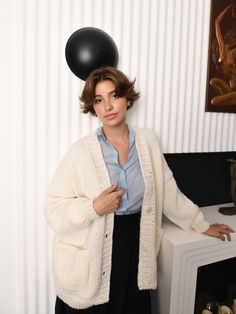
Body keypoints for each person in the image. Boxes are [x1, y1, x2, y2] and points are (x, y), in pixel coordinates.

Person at [45, 66, 234, 314]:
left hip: (135, 243)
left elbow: (168, 192)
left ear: (127, 98)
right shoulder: (80, 152)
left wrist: (201, 225)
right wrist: (93, 208)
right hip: (94, 248)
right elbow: (53, 209)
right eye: (99, 100)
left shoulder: (147, 143)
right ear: (93, 107)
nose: (108, 107)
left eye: (114, 96)